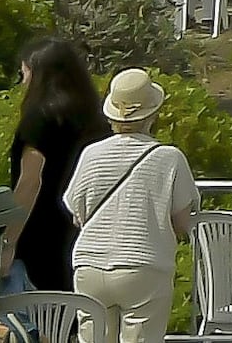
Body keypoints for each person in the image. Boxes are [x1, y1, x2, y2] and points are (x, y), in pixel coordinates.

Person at [64, 71, 199, 343]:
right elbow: (183, 223)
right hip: (143, 265)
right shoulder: (169, 158)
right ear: (153, 114)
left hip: (89, 263)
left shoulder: (91, 154)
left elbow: (77, 214)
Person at [0, 39, 103, 298]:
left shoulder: (40, 119)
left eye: (24, 74)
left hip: (41, 232)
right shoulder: (94, 119)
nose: (23, 83)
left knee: (39, 317)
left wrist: (8, 242)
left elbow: (30, 182)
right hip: (82, 226)